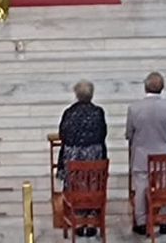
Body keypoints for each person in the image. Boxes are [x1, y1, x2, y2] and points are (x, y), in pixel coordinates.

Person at [126, 71, 166, 237]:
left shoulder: (134, 108)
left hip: (142, 155)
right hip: (163, 155)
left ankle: (141, 222)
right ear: (162, 88)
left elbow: (129, 134)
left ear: (145, 86)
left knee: (141, 189)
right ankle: (165, 219)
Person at [57, 80, 107, 238]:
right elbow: (102, 134)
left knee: (75, 181)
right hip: (94, 162)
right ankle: (91, 222)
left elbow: (63, 135)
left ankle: (77, 220)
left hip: (74, 163)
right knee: (92, 181)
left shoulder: (69, 113)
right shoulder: (98, 112)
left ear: (76, 95)